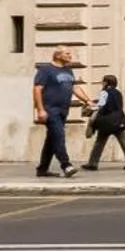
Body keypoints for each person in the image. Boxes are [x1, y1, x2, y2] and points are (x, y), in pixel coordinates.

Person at [30, 47, 92, 177]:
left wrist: (87, 100)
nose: (71, 56)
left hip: (63, 110)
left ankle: (42, 169)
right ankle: (66, 165)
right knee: (59, 136)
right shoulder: (46, 70)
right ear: (58, 55)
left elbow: (75, 87)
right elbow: (37, 90)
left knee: (52, 139)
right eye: (67, 53)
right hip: (50, 109)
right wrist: (40, 109)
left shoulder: (68, 70)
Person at [82, 75, 125, 171]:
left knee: (99, 143)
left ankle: (93, 163)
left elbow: (101, 105)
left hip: (106, 121)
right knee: (124, 141)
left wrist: (91, 107)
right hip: (118, 120)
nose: (102, 83)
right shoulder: (118, 93)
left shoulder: (104, 92)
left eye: (103, 81)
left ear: (106, 82)